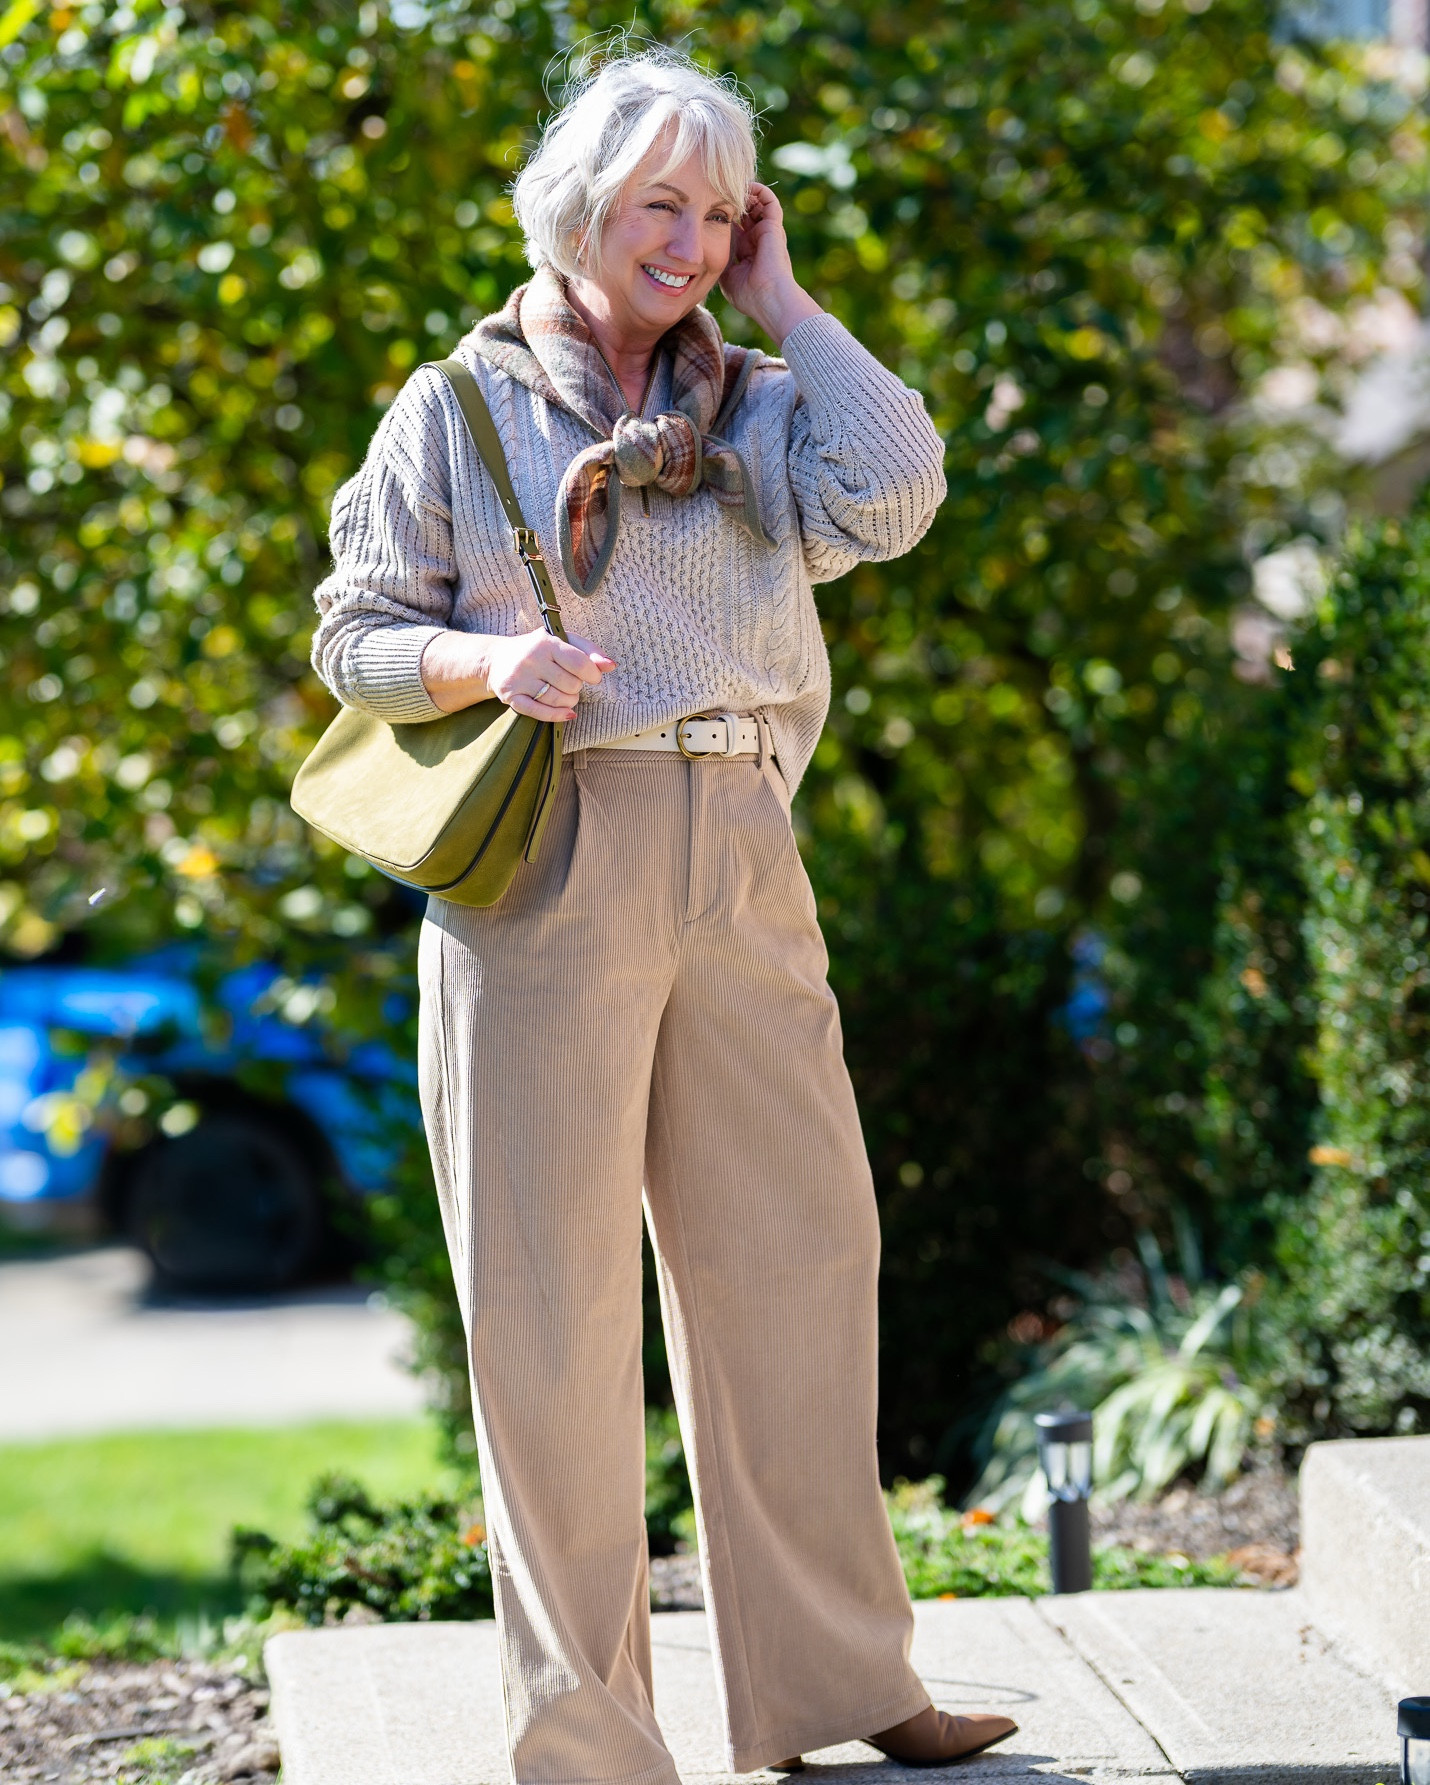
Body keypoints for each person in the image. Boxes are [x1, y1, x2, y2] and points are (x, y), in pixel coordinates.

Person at [311, 46, 1017, 1785]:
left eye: (719, 211)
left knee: (797, 1263)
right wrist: (488, 656)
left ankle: (843, 1685)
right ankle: (588, 1741)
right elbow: (352, 633)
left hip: (742, 850)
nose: (692, 241)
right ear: (578, 207)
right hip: (549, 850)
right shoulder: (459, 407)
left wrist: (790, 297)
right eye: (661, 206)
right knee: (548, 1315)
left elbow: (898, 492)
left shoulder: (760, 408)